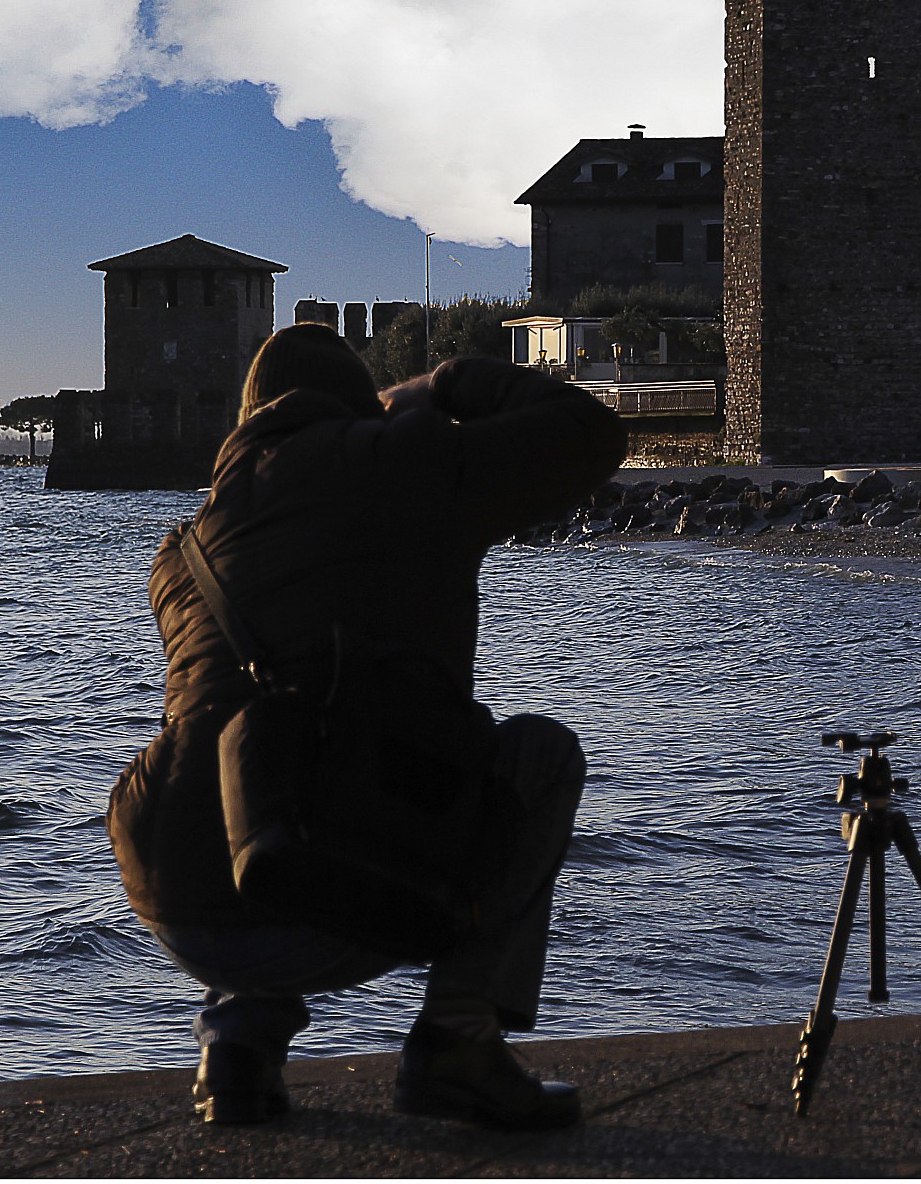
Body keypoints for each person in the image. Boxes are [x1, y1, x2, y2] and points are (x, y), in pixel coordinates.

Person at [109, 322, 625, 1130]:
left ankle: (236, 1052)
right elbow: (591, 433)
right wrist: (448, 385)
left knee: (243, 747)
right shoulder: (408, 464)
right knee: (541, 755)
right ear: (361, 406)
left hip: (177, 908)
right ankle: (459, 1040)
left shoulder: (184, 550)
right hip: (348, 903)